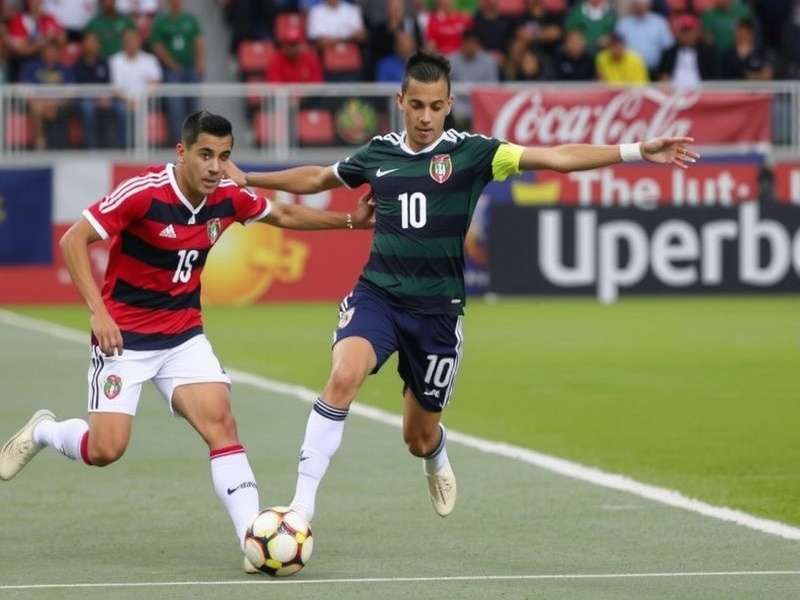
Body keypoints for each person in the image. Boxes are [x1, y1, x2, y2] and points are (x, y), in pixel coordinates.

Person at [222, 52, 698, 525]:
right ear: (400, 101)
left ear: (449, 103)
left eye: (435, 106)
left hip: (437, 314)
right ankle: (301, 510)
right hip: (379, 296)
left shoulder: (474, 153)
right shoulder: (378, 153)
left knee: (418, 437)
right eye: (416, 105)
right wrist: (251, 176)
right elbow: (319, 177)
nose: (425, 117)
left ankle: (436, 451)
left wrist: (636, 150)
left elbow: (554, 158)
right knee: (344, 377)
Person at [0, 110, 374, 572]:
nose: (216, 167)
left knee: (221, 424)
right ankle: (43, 431)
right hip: (125, 338)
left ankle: (253, 542)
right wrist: (98, 313)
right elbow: (74, 241)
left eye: (224, 156)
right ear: (182, 153)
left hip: (182, 336)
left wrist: (351, 223)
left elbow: (282, 213)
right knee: (105, 450)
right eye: (205, 155)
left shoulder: (229, 197)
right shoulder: (144, 193)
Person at [149, 0, 205, 143]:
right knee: (176, 105)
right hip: (172, 70)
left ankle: (193, 140)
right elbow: (157, 46)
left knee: (193, 105)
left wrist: (199, 62)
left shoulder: (190, 20)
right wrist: (173, 64)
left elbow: (198, 41)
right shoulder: (161, 22)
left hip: (190, 67)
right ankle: (178, 140)